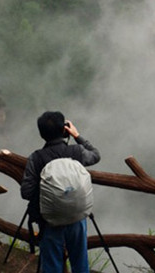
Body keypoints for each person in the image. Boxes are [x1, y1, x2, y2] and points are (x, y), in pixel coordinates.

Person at [20, 111, 101, 273]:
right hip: (77, 216)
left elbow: (26, 192)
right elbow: (96, 155)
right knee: (80, 262)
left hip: (50, 221)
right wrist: (77, 135)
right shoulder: (77, 151)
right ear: (64, 130)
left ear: (42, 134)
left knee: (51, 266)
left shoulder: (36, 158)